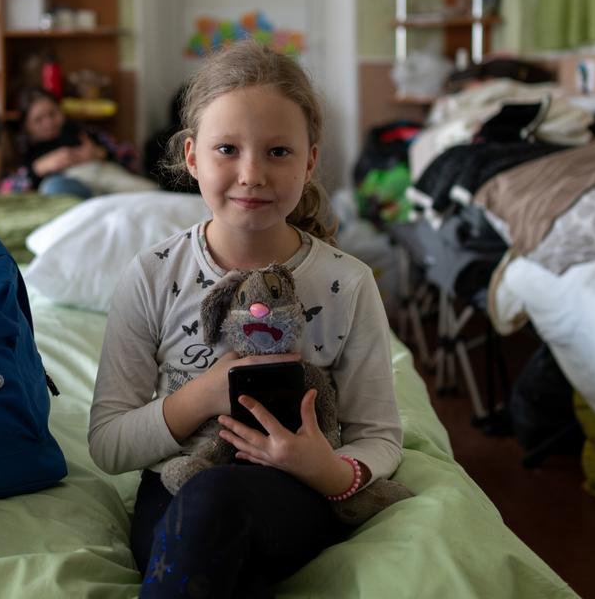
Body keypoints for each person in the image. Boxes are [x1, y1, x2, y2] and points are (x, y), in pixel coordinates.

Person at [88, 40, 403, 597]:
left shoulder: (347, 282)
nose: (252, 173)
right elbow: (109, 444)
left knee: (215, 510)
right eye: (227, 149)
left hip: (298, 490)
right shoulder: (154, 275)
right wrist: (205, 395)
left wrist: (325, 470)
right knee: (216, 546)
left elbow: (378, 436)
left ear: (310, 161)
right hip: (178, 486)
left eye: (278, 152)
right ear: (191, 157)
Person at [20, 89, 108, 198]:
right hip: (70, 187)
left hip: (101, 173)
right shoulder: (22, 148)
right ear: (26, 125)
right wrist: (38, 168)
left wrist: (98, 153)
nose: (49, 122)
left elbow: (121, 154)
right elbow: (9, 186)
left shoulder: (79, 130)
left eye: (52, 114)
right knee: (53, 186)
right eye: (39, 119)